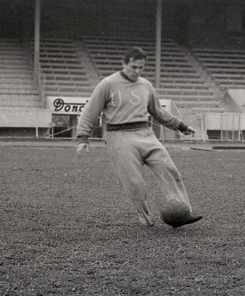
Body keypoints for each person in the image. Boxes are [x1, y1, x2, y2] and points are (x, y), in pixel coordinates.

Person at [76, 46, 202, 228]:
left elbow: (158, 112)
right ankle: (144, 215)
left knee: (169, 170)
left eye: (141, 68)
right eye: (133, 67)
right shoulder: (107, 84)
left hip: (145, 133)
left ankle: (183, 212)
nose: (137, 71)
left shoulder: (146, 85)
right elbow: (90, 111)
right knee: (134, 182)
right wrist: (83, 137)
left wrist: (181, 126)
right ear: (124, 63)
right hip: (118, 136)